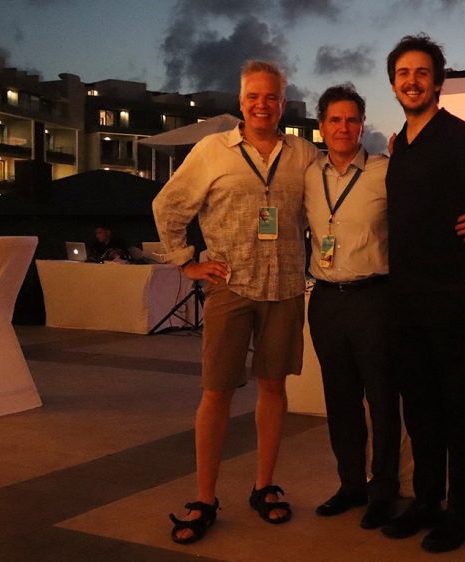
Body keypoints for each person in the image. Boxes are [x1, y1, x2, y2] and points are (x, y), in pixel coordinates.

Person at [152, 60, 320, 544]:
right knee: (216, 392)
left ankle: (264, 486)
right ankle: (205, 497)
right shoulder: (212, 151)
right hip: (231, 285)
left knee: (273, 388)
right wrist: (185, 262)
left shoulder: (303, 154)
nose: (262, 105)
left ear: (282, 104)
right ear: (241, 101)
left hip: (285, 286)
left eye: (271, 97)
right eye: (253, 96)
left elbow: (335, 200)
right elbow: (168, 206)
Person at [303, 84, 465, 530]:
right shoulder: (307, 173)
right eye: (334, 119)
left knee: (382, 400)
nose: (343, 127)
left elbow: (429, 204)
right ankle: (350, 485)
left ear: (362, 125)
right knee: (340, 400)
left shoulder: (387, 170)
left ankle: (382, 492)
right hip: (324, 299)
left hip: (375, 298)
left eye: (352, 119)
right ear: (321, 126)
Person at [379, 35, 465, 553]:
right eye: (403, 74)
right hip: (405, 298)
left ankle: (460, 510)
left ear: (437, 82)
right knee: (419, 405)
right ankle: (426, 500)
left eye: (422, 73)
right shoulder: (399, 146)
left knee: (458, 405)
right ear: (393, 84)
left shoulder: (463, 137)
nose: (412, 81)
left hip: (452, 294)